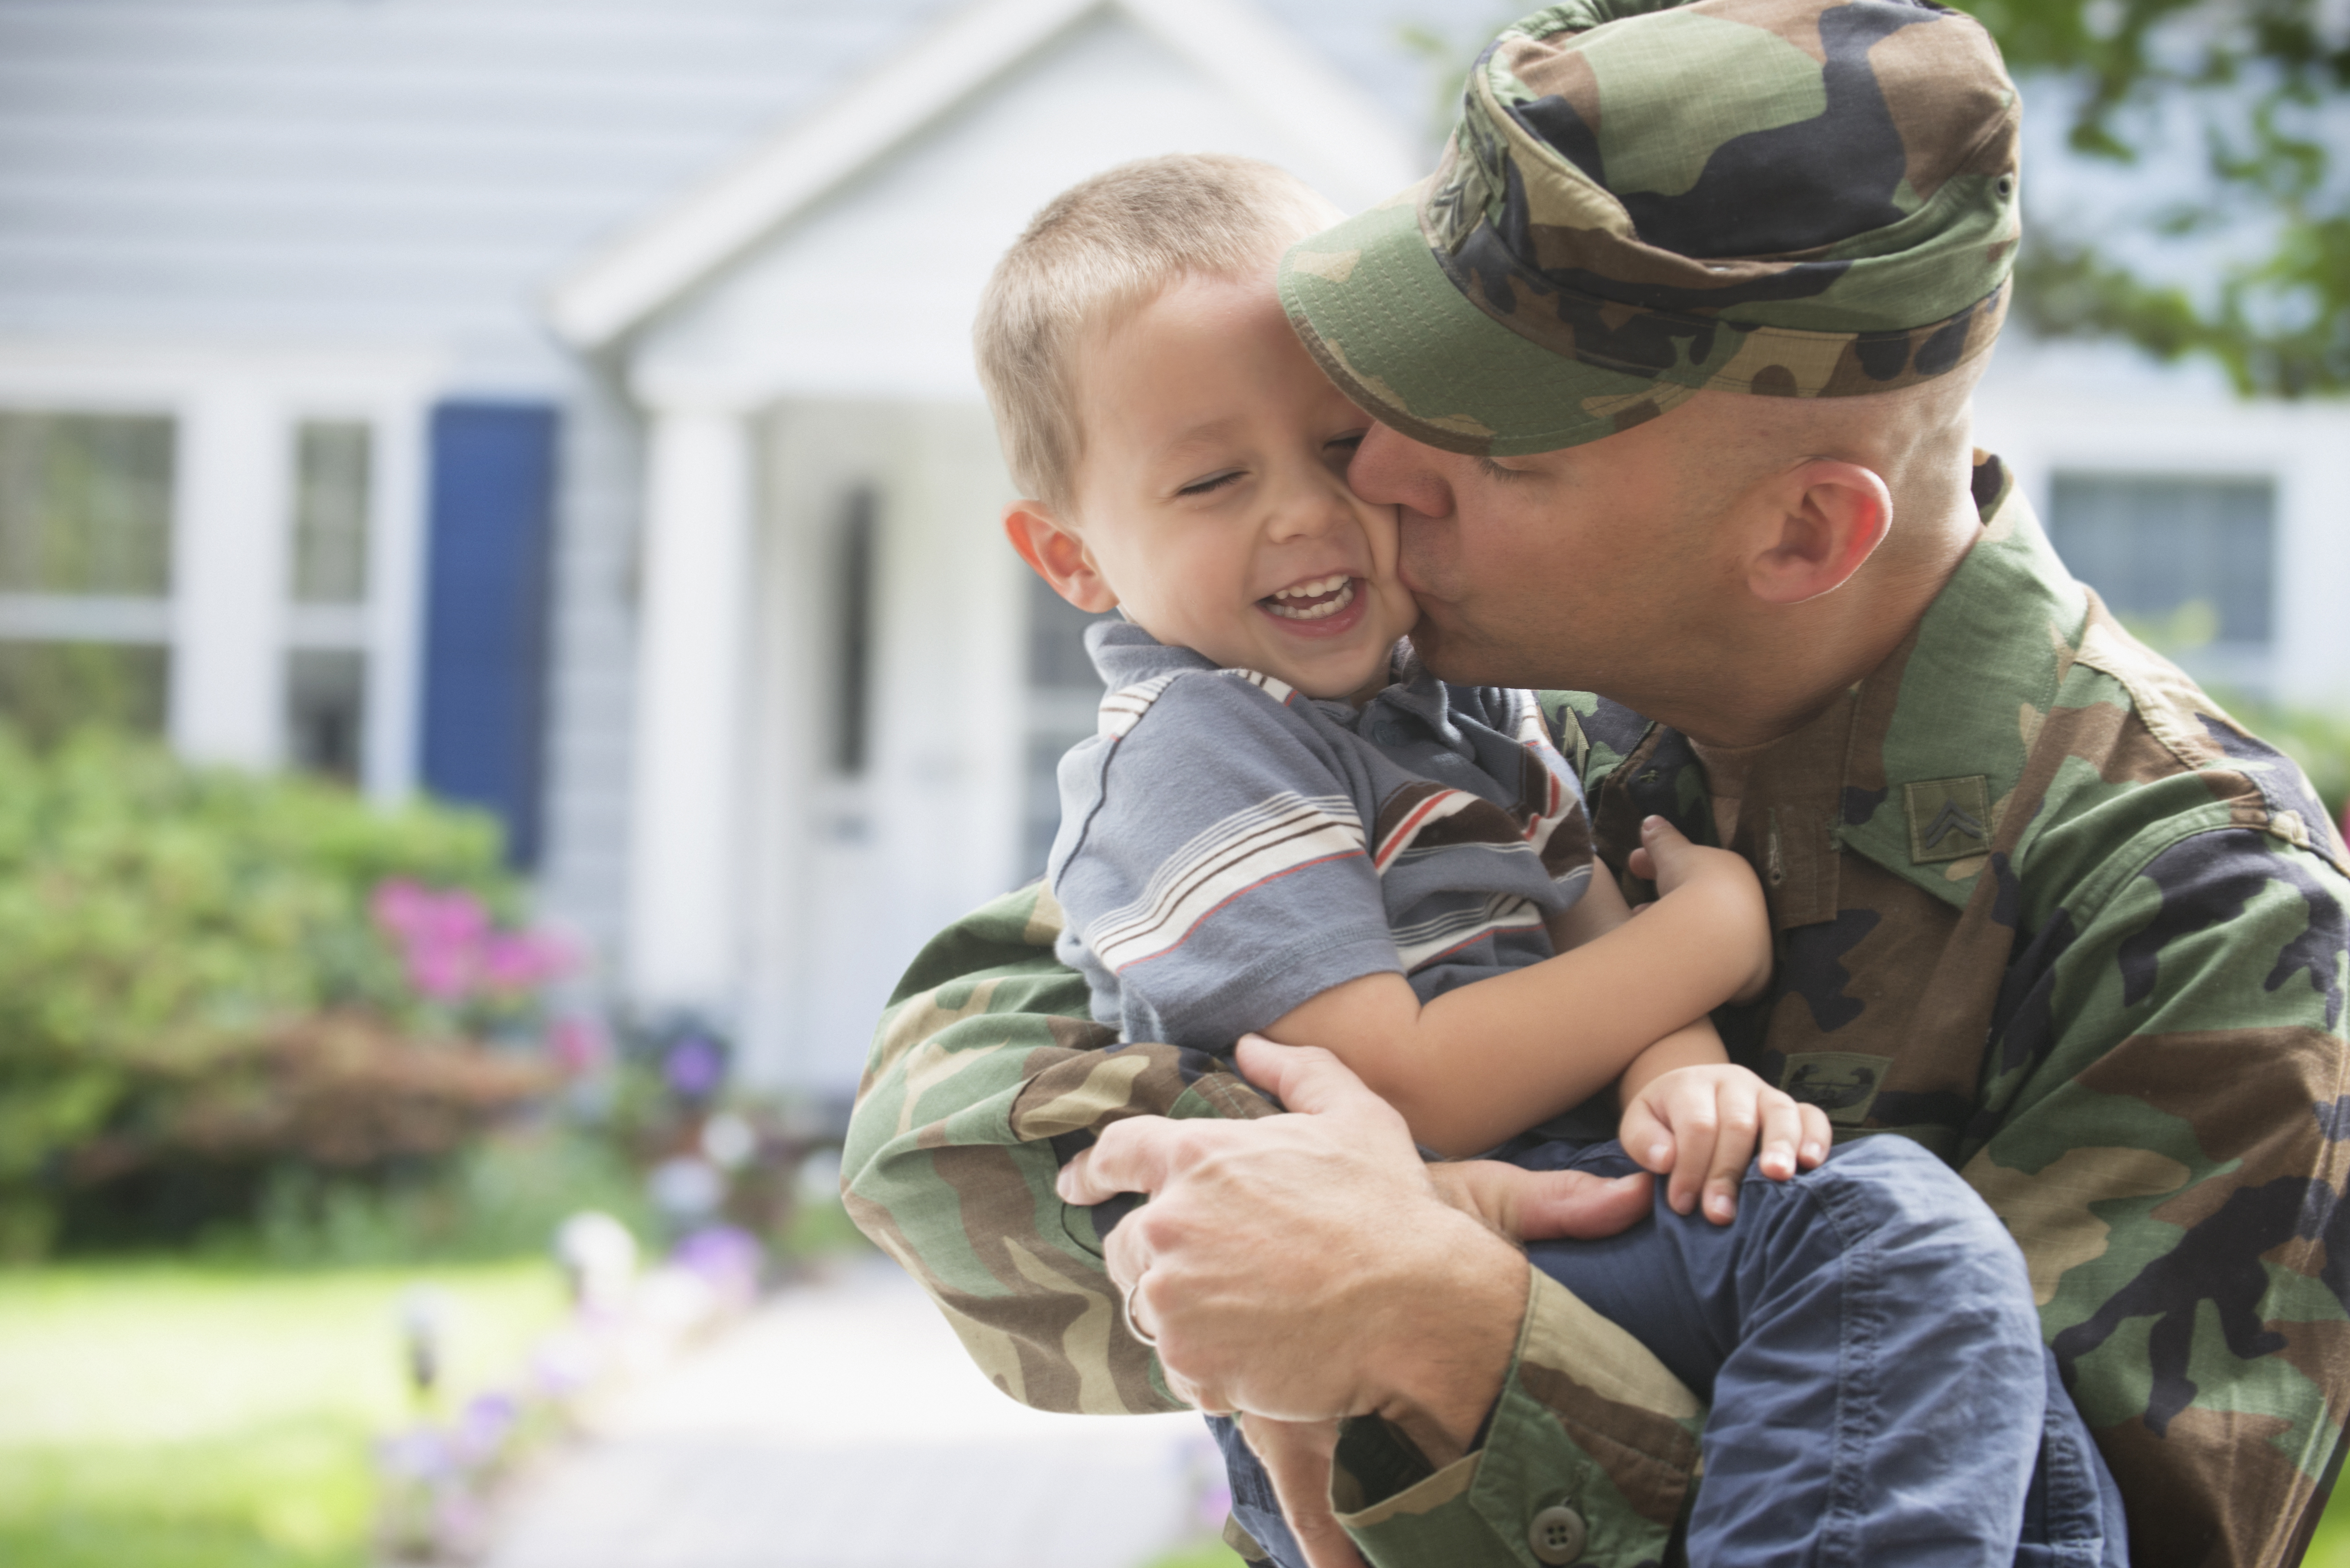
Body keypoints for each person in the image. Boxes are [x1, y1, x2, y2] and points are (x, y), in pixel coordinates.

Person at [842, 3, 2350, 1565]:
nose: (1375, 482)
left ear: (1796, 537)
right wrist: (1313, 1222)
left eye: (1493, 443)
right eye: (1398, 389)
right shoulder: (1468, 684)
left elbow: (2052, 1526)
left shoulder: (2200, 905)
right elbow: (944, 1129)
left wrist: (1441, 1322)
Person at [983, 149, 2101, 1568]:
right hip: (1380, 1306)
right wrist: (1710, 939)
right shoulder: (1194, 752)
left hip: (1553, 1224)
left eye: (1342, 443)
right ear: (1072, 558)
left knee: (2011, 1393)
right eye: (1212, 479)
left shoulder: (1454, 707)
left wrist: (1681, 1071)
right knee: (1893, 1244)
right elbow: (1397, 1069)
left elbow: (1583, 921)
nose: (1314, 512)